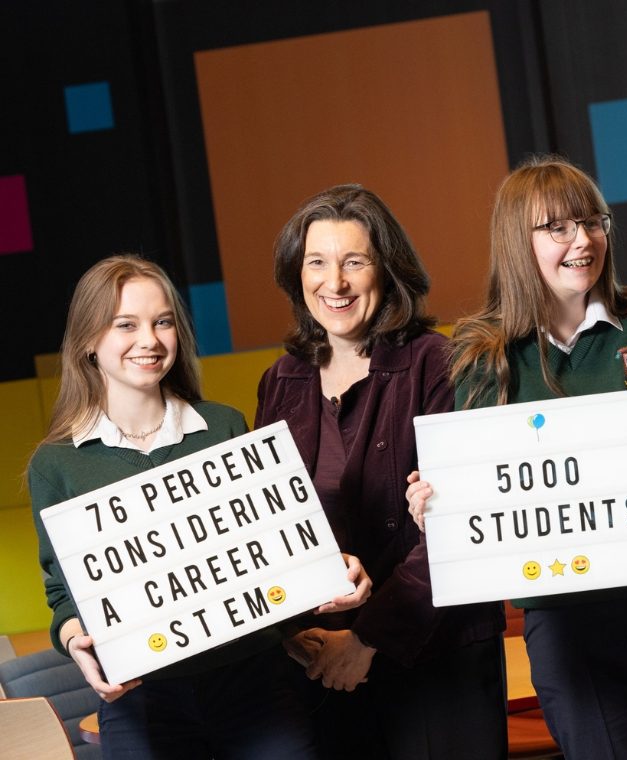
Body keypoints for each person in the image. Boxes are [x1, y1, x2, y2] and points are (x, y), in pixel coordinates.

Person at [407, 156, 627, 759]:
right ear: (519, 242)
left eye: (593, 221)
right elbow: (478, 496)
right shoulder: (481, 351)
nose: (583, 240)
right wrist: (438, 509)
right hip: (569, 625)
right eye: (558, 228)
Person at [28, 254, 371, 759]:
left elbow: (270, 551)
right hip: (143, 698)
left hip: (255, 684)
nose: (149, 340)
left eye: (162, 321)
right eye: (126, 324)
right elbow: (63, 592)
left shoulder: (225, 427)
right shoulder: (55, 465)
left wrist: (328, 574)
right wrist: (74, 635)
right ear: (87, 341)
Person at [256, 184, 508, 759]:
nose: (334, 283)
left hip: (436, 658)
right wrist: (293, 634)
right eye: (316, 262)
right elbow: (269, 525)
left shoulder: (438, 363)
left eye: (354, 262)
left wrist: (367, 640)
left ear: (387, 271)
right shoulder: (280, 381)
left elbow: (463, 526)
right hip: (319, 662)